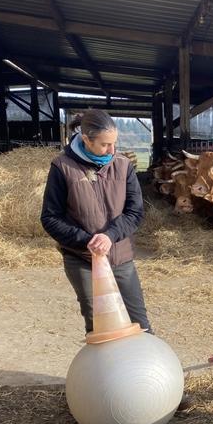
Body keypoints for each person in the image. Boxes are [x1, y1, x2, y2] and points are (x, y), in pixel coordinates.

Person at [41, 109, 152, 336]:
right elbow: (50, 218)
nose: (112, 150)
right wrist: (87, 241)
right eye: (104, 144)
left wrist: (109, 236)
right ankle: (106, 371)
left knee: (139, 322)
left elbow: (135, 212)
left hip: (120, 256)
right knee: (100, 326)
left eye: (114, 143)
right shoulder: (62, 167)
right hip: (82, 259)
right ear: (86, 140)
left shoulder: (123, 165)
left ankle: (146, 371)